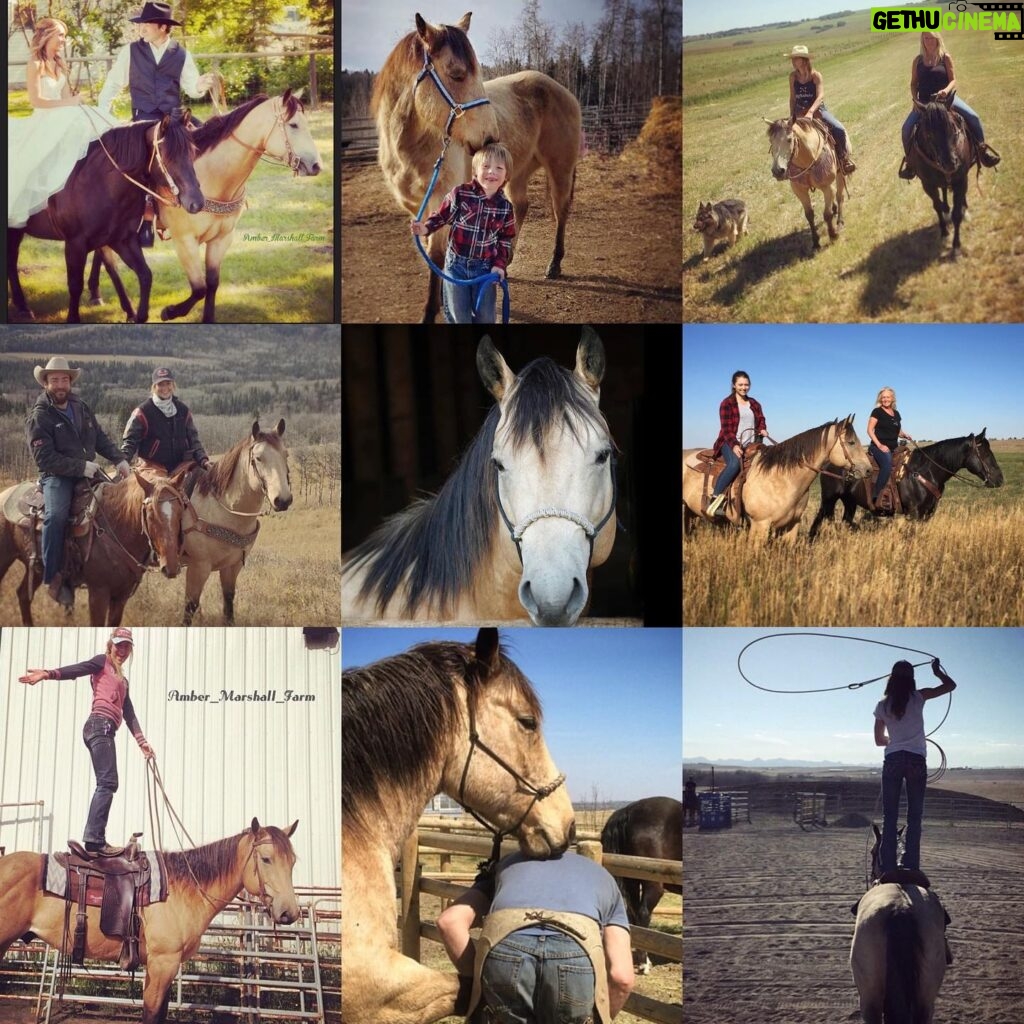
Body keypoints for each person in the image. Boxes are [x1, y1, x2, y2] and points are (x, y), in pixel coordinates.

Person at [437, 849, 634, 1022]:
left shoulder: (506, 866)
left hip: (506, 951)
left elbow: (449, 922)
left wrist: (481, 984)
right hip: (575, 958)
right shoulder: (604, 878)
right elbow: (621, 978)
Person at [19, 628, 155, 858]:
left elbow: (128, 711)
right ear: (110, 645)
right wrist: (47, 673)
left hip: (105, 729)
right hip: (98, 725)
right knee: (108, 782)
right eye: (119, 645)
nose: (122, 650)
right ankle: (94, 840)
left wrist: (141, 741)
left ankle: (95, 838)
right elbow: (78, 669)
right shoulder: (102, 662)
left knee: (108, 782)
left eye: (127, 646)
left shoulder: (123, 680)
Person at [97, 2, 215, 244]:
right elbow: (112, 84)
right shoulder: (130, 52)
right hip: (144, 120)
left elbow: (191, 87)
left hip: (173, 120)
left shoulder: (181, 54)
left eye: (147, 23)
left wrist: (200, 86)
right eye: (141, 23)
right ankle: (146, 220)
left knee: (206, 145)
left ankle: (204, 201)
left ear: (163, 27)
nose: (142, 27)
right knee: (139, 165)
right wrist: (102, 112)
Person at [27, 357, 131, 606]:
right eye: (54, 380)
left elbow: (100, 438)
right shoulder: (40, 416)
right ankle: (52, 577)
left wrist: (120, 460)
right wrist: (80, 466)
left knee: (116, 507)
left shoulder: (80, 406)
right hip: (57, 477)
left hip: (89, 471)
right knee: (56, 517)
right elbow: (45, 458)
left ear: (70, 381)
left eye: (64, 379)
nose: (60, 384)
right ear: (45, 383)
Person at [7, 18, 108, 228]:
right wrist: (69, 102)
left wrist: (74, 102)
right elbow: (36, 101)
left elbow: (65, 96)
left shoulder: (59, 63)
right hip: (44, 116)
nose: (64, 40)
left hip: (62, 113)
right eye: (60, 35)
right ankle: (51, 193)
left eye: (64, 35)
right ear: (47, 36)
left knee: (94, 121)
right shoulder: (35, 63)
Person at [411, 142, 517, 324]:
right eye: (486, 167)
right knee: (459, 317)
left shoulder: (506, 207)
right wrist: (426, 227)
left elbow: (505, 239)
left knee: (486, 317)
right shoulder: (460, 194)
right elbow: (441, 216)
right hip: (456, 266)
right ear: (475, 171)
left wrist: (499, 265)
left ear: (507, 175)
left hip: (484, 268)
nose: (491, 172)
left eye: (499, 168)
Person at [873, 659, 957, 874]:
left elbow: (878, 740)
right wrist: (937, 671)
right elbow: (950, 686)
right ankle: (911, 866)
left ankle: (888, 867)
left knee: (889, 817)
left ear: (891, 678)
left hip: (892, 760)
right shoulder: (919, 697)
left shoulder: (882, 705)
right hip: (916, 760)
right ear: (911, 678)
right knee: (914, 815)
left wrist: (892, 740)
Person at [898, 30, 1001, 180]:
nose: (928, 41)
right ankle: (910, 163)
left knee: (973, 117)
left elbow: (953, 80)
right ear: (922, 40)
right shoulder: (917, 61)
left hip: (946, 101)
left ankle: (982, 151)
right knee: (906, 128)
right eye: (925, 38)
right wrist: (915, 100)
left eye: (931, 38)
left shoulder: (945, 57)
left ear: (937, 39)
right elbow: (914, 84)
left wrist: (945, 91)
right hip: (925, 104)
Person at [121, 366, 210, 480]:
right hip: (151, 467)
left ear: (173, 385)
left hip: (181, 465)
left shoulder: (183, 410)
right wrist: (122, 461)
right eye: (160, 384)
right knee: (161, 493)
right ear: (154, 387)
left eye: (168, 383)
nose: (165, 388)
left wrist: (203, 460)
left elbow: (194, 440)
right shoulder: (142, 412)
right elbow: (130, 442)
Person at [785, 44, 856, 176]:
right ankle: (787, 167)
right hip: (799, 112)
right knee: (783, 136)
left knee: (839, 129)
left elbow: (820, 96)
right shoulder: (792, 77)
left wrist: (811, 112)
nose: (793, 62)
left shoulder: (815, 76)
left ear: (804, 59)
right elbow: (792, 98)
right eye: (792, 59)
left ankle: (843, 159)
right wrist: (791, 116)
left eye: (796, 58)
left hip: (817, 111)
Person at [706, 371, 768, 518]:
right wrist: (734, 445)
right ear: (734, 385)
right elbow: (726, 429)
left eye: (746, 384)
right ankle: (715, 499)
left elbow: (761, 419)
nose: (744, 387)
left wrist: (763, 429)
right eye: (740, 384)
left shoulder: (754, 403)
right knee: (734, 464)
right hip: (729, 442)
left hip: (751, 443)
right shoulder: (726, 403)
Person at [866, 387, 913, 513]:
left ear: (892, 399)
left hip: (894, 447)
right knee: (886, 465)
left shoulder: (896, 414)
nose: (885, 399)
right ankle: (876, 496)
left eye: (888, 397)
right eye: (883, 397)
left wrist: (904, 435)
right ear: (880, 399)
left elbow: (897, 431)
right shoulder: (877, 412)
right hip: (877, 447)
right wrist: (880, 445)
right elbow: (870, 430)